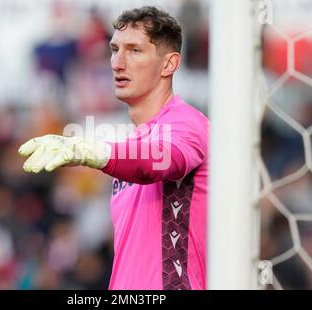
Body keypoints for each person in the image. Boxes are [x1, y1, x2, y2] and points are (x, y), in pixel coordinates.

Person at [18, 6, 209, 290]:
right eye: (114, 49)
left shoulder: (186, 123)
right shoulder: (132, 143)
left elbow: (160, 160)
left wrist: (90, 152)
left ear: (169, 64)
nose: (117, 63)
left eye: (134, 51)